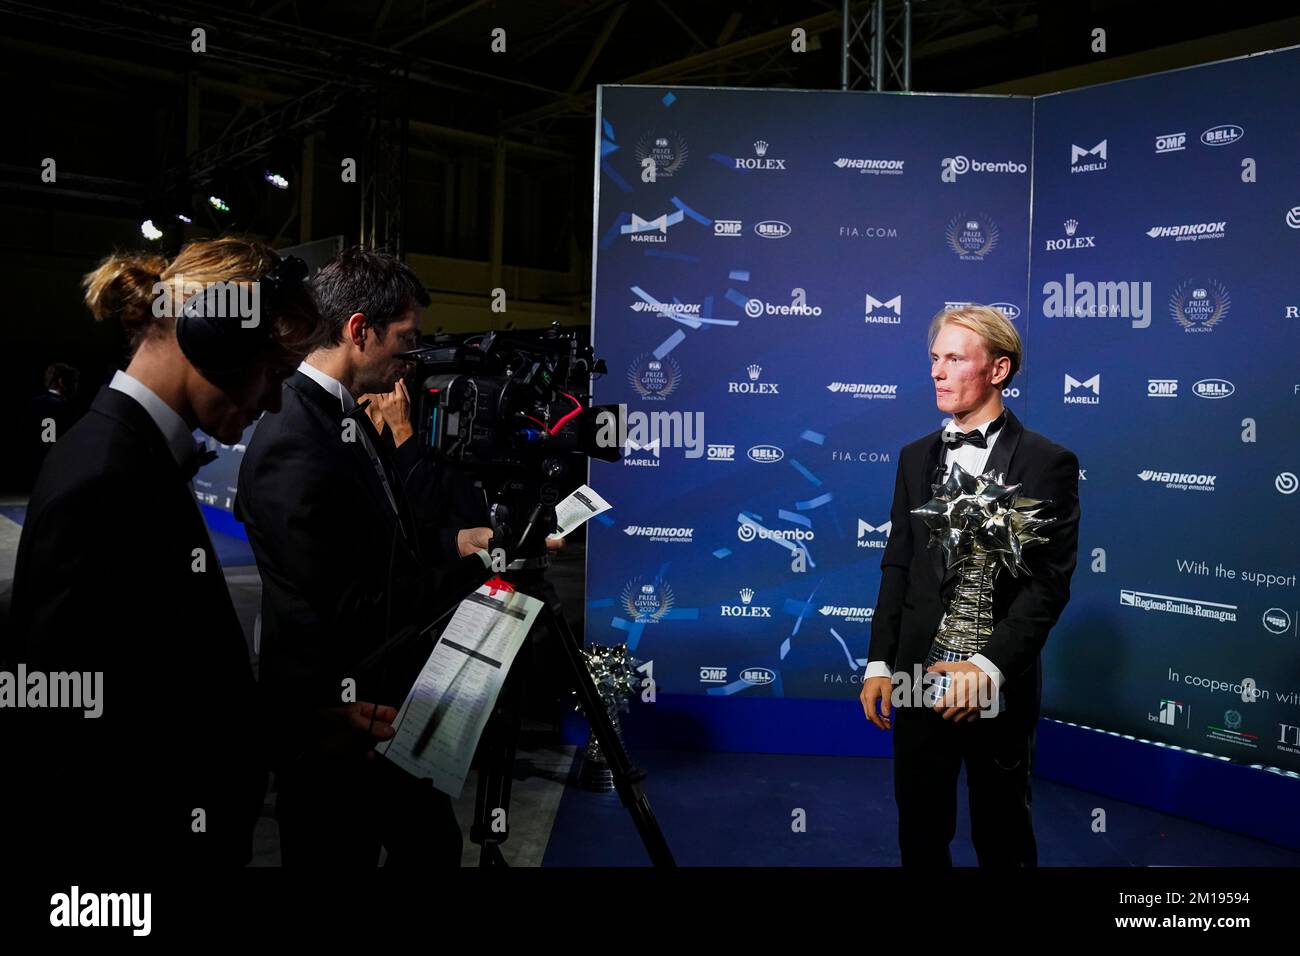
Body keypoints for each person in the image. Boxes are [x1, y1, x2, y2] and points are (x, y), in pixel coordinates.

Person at [4, 237, 397, 867]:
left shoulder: (126, 455)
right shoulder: (107, 476)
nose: (273, 402)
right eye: (272, 374)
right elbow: (73, 740)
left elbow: (155, 692)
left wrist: (298, 729)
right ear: (214, 337)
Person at [237, 247, 491, 867]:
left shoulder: (344, 419)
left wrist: (460, 543)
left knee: (431, 845)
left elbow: (383, 548)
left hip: (383, 709)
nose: (413, 358)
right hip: (337, 727)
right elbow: (338, 603)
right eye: (406, 340)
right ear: (358, 330)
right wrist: (462, 575)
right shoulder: (296, 436)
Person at [859, 304, 1080, 867]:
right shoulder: (914, 459)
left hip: (995, 684)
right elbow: (898, 566)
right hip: (914, 676)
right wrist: (880, 663)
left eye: (955, 358)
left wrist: (986, 668)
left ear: (998, 370)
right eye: (935, 358)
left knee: (1002, 836)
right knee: (920, 832)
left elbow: (1048, 586)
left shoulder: (1047, 462)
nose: (937, 370)